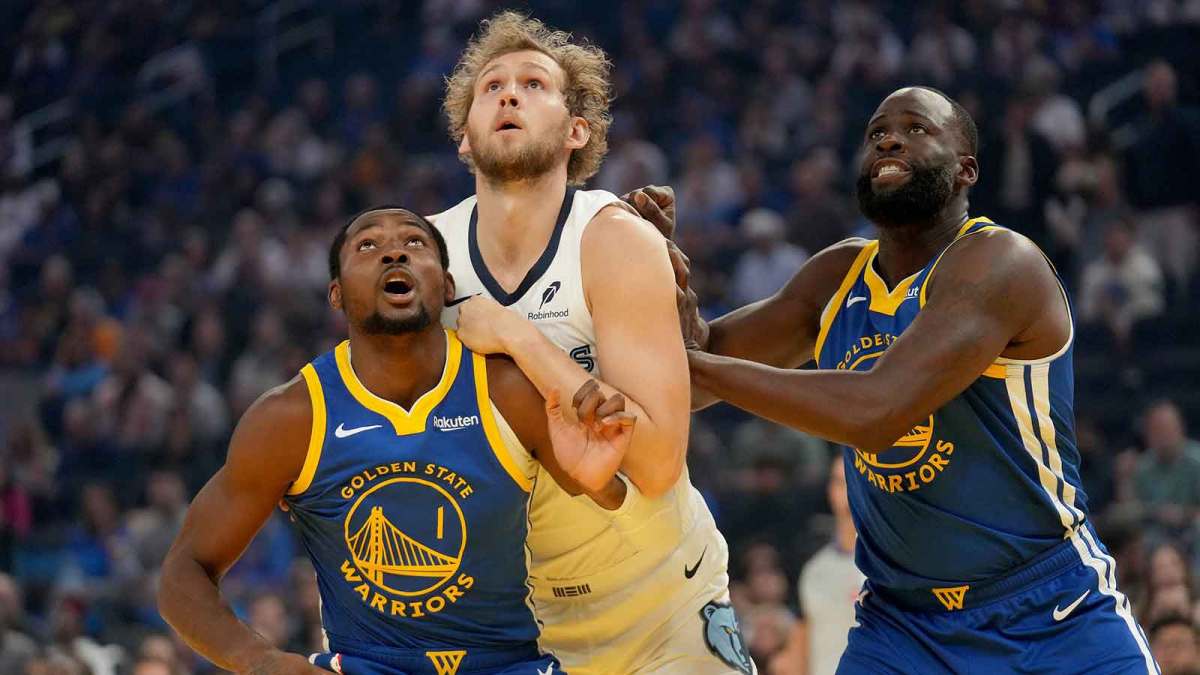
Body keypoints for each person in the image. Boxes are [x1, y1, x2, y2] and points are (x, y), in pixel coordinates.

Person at [643, 87, 1158, 672]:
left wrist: (693, 363)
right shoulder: (838, 274)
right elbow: (702, 376)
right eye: (877, 133)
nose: (888, 138)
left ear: (966, 171)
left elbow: (877, 411)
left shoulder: (1001, 262)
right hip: (903, 626)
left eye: (917, 129)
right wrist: (663, 280)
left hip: (1047, 611)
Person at [158, 207, 637, 675]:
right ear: (336, 294)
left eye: (414, 242)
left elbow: (619, 506)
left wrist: (600, 482)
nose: (394, 254)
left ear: (446, 286)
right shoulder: (291, 418)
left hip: (510, 662)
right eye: (368, 245)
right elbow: (183, 574)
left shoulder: (508, 389)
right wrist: (258, 660)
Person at [430, 11, 746, 675]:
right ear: (464, 137)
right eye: (491, 87)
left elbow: (656, 462)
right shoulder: (422, 258)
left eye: (533, 84)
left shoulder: (614, 238)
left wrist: (518, 337)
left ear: (578, 131)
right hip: (513, 627)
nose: (509, 94)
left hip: (660, 605)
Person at [771, 458, 864, 675]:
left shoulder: (889, 568)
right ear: (830, 491)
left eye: (855, 480)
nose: (848, 491)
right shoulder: (813, 570)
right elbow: (799, 644)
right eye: (840, 482)